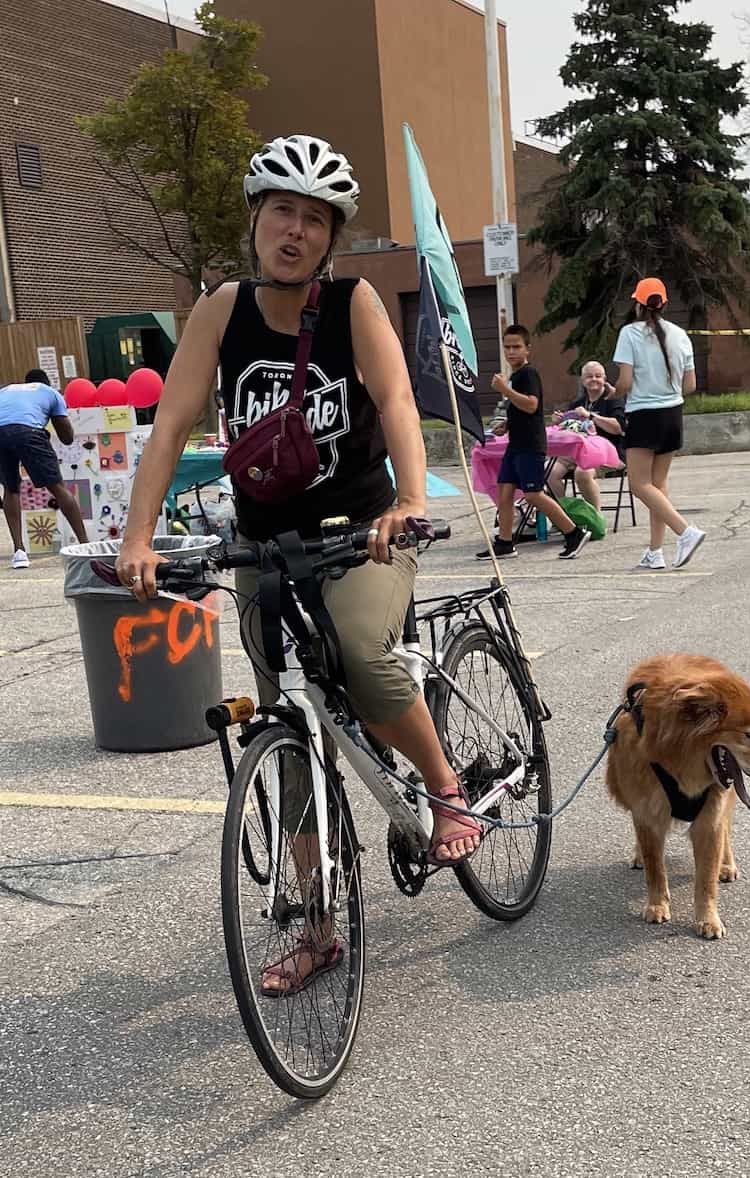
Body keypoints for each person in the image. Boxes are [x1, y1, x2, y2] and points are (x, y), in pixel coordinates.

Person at [116, 135, 481, 991]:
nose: (295, 230)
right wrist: (138, 538)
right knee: (287, 730)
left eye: (314, 219)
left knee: (363, 656)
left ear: (330, 238)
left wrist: (411, 503)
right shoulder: (220, 311)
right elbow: (169, 427)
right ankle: (317, 927)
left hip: (360, 531)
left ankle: (444, 787)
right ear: (256, 218)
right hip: (264, 545)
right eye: (282, 209)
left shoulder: (353, 303)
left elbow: (394, 400)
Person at [476, 324, 590, 561]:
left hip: (530, 445)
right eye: (507, 347)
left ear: (528, 349)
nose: (511, 352)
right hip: (515, 444)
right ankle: (505, 543)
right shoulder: (517, 376)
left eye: (516, 347)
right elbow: (522, 410)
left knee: (533, 494)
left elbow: (531, 405)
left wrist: (505, 389)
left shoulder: (528, 374)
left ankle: (574, 533)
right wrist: (507, 423)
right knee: (504, 492)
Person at [613, 278, 704, 570]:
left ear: (638, 303)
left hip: (643, 415)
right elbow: (690, 384)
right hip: (673, 414)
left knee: (639, 485)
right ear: (663, 303)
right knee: (658, 485)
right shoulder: (680, 334)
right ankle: (655, 552)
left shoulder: (629, 333)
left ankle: (685, 531)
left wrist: (612, 392)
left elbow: (625, 382)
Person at [0, 368, 88, 567]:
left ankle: (19, 552)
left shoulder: (6, 391)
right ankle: (85, 545)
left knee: (11, 489)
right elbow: (67, 438)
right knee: (58, 488)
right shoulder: (50, 393)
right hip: (28, 431)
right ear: (47, 383)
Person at [550, 361, 625, 512]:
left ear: (604, 379)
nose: (594, 379)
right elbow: (568, 430)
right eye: (589, 376)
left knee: (582, 473)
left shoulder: (613, 399)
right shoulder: (577, 403)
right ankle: (564, 517)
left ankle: (596, 518)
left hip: (608, 452)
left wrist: (591, 416)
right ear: (583, 381)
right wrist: (560, 421)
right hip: (577, 452)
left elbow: (618, 428)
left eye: (598, 376)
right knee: (549, 472)